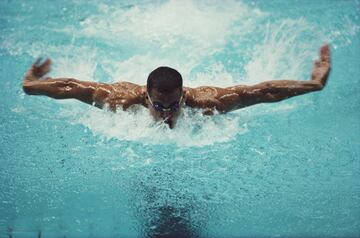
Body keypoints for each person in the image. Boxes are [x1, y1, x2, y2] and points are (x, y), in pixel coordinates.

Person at [23, 44, 331, 129]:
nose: (168, 114)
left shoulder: (210, 103)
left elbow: (263, 92)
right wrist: (31, 85)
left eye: (173, 105)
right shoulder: (121, 100)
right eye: (159, 106)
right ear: (146, 96)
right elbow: (72, 87)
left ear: (183, 96)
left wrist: (314, 84)